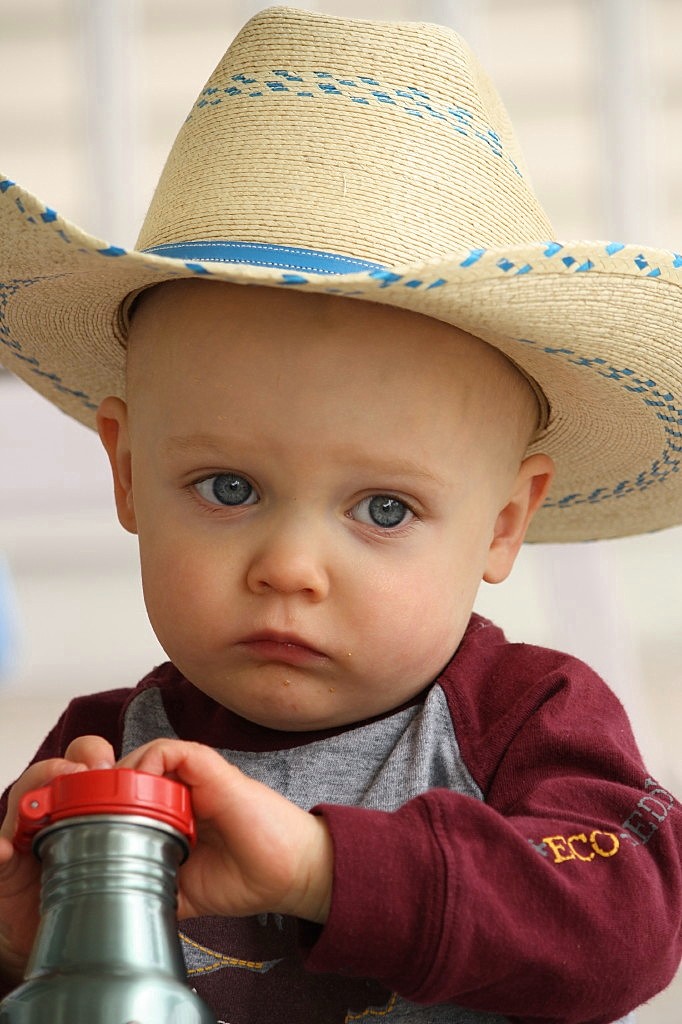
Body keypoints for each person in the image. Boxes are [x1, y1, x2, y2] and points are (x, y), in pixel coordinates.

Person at [0, 7, 680, 1023]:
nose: (289, 566)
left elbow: (626, 926)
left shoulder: (524, 719)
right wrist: (20, 947)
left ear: (503, 523)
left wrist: (323, 869)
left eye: (383, 507)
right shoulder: (105, 752)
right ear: (129, 471)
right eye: (228, 488)